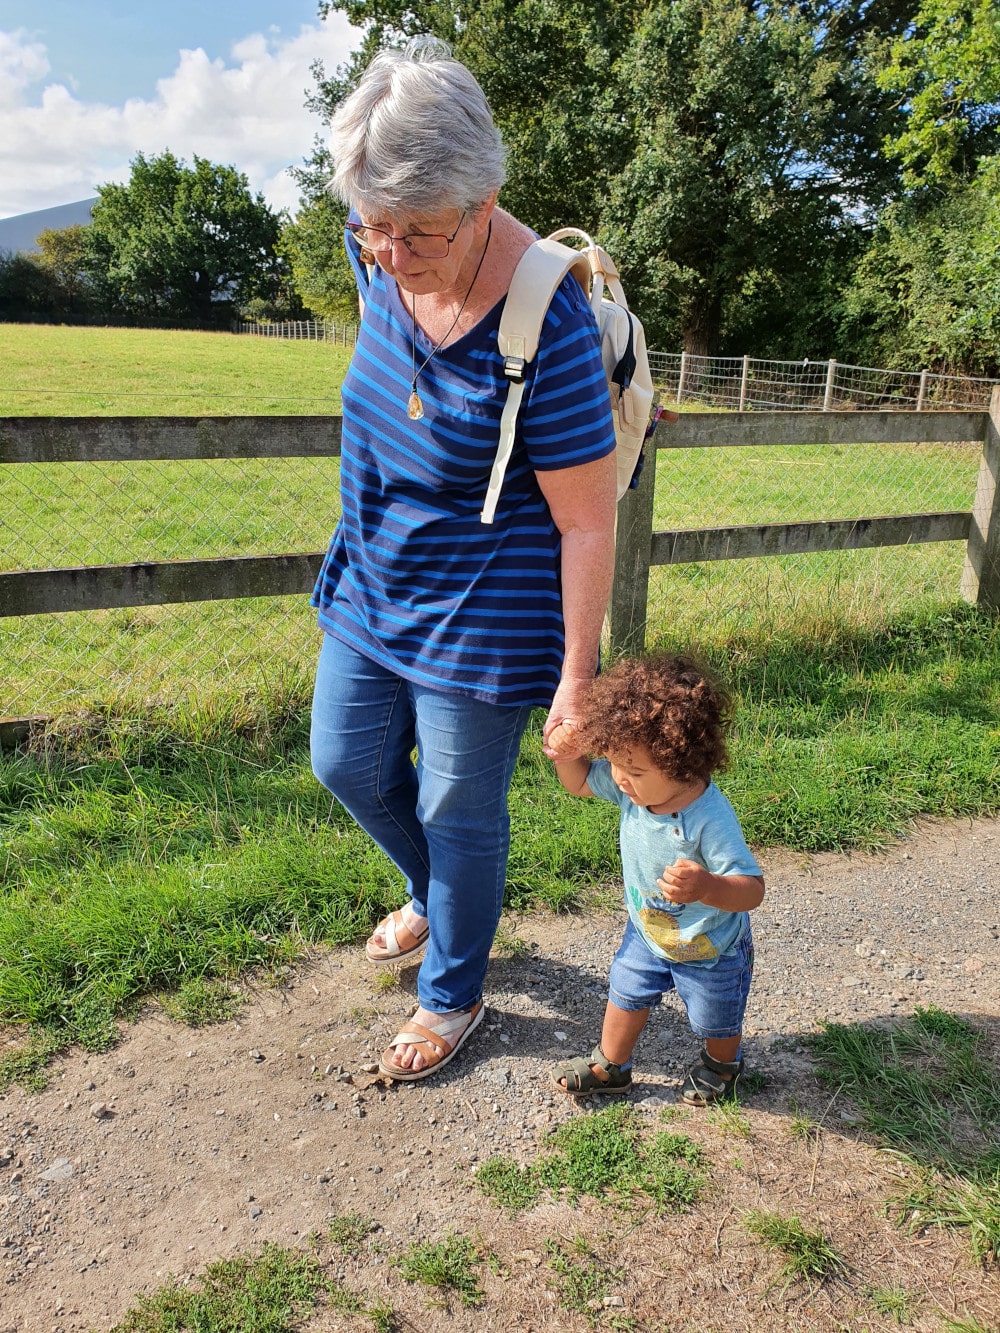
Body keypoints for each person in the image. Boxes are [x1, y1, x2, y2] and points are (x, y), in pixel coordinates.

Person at [309, 38, 618, 1082]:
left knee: (456, 804)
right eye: (373, 226)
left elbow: (585, 521)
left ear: (483, 197)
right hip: (373, 573)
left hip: (487, 603)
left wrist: (577, 679)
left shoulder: (552, 322)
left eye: (417, 231)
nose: (390, 254)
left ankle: (455, 990)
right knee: (343, 762)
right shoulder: (380, 253)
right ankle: (436, 897)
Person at [547, 654, 765, 1103]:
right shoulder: (634, 783)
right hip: (647, 932)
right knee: (624, 993)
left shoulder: (710, 818)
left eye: (635, 771)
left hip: (711, 947)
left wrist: (708, 887)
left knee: (716, 1017)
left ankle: (721, 1065)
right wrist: (565, 753)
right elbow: (581, 781)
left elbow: (752, 890)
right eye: (615, 763)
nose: (620, 779)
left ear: (682, 763)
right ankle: (611, 1066)